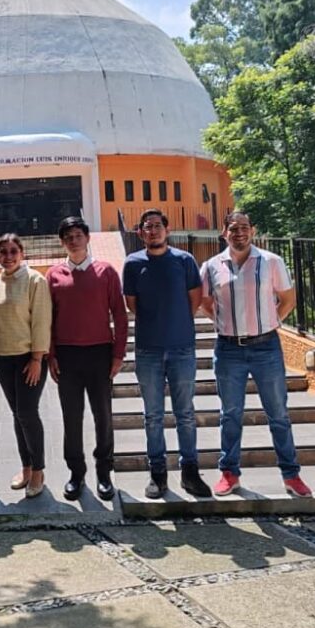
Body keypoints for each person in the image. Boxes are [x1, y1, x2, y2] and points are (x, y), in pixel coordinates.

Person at [199, 212, 313, 498]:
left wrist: (268, 322)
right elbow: (205, 302)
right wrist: (225, 324)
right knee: (230, 414)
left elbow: (288, 299)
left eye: (245, 228)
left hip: (266, 347)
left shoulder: (272, 262)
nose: (239, 233)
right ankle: (229, 473)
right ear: (223, 233)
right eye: (233, 228)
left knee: (278, 413)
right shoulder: (212, 266)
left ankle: (291, 475)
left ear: (253, 231)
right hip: (228, 349)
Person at [122, 208, 212, 500]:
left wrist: (175, 325)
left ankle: (190, 471)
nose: (153, 231)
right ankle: (157, 473)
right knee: (153, 415)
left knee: (185, 413)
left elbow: (194, 300)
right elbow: (132, 303)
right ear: (141, 233)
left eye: (158, 226)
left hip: (181, 348)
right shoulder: (133, 264)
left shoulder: (184, 261)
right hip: (148, 349)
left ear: (167, 229)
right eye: (147, 227)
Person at [46, 216, 127, 501]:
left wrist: (118, 354)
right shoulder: (54, 275)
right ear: (62, 242)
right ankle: (76, 473)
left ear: (87, 238)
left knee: (103, 416)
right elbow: (49, 319)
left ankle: (104, 472)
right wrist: (51, 355)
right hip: (67, 356)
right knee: (71, 418)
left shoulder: (106, 272)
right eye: (68, 236)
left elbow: (119, 313)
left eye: (78, 235)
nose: (74, 240)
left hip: (99, 353)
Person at [0, 233, 53, 498]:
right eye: (3, 252)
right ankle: (25, 468)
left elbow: (41, 321)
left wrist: (38, 358)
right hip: (2, 357)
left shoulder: (35, 281)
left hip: (29, 358)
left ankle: (38, 470)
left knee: (27, 412)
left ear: (22, 253)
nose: (8, 256)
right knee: (17, 413)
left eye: (13, 251)